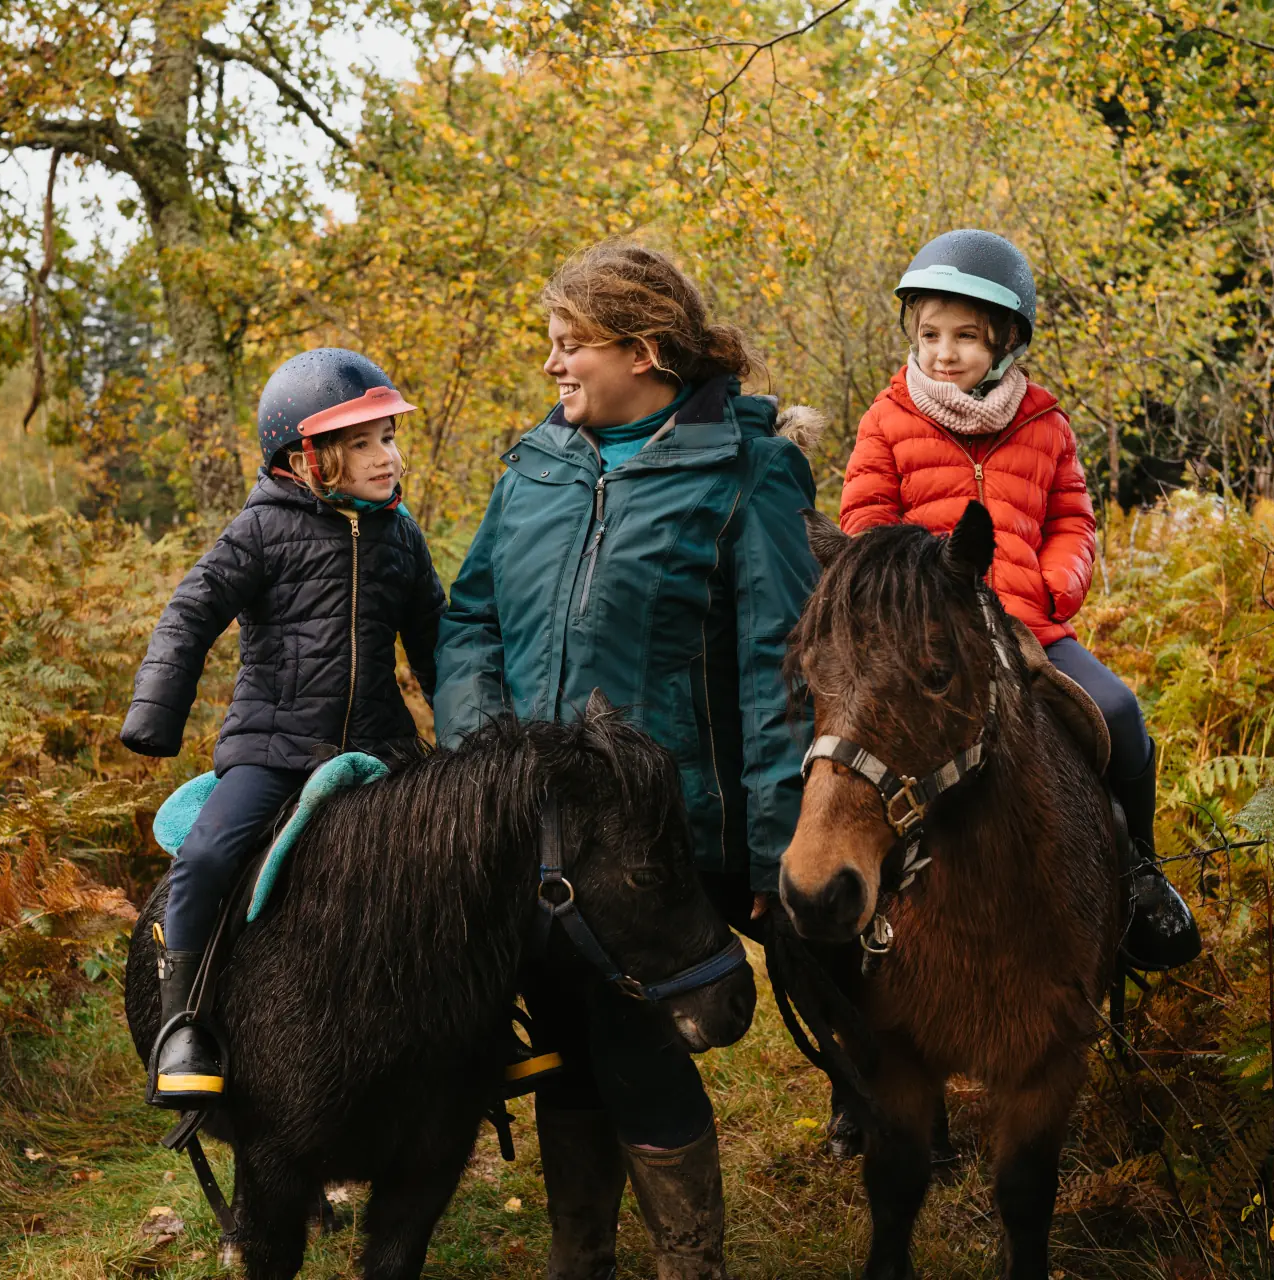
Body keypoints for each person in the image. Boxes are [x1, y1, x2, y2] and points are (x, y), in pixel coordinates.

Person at [435, 241, 819, 1280]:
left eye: (572, 347)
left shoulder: (746, 471)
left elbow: (776, 669)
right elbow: (470, 620)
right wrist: (485, 756)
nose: (554, 367)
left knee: (636, 1040)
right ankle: (581, 1258)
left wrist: (775, 850)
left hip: (660, 834)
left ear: (643, 350)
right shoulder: (534, 466)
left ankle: (689, 1263)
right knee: (562, 1038)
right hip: (526, 822)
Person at [839, 228, 1200, 975]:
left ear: (1004, 341)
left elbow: (1072, 518)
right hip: (925, 637)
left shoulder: (1043, 421)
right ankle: (839, 892)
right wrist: (913, 600)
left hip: (1028, 625)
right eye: (931, 333)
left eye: (966, 337)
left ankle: (1138, 873)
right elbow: (864, 525)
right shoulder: (888, 419)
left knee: (1122, 715)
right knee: (845, 738)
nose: (944, 352)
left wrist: (1055, 583)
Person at [120, 348, 446, 1108]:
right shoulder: (262, 529)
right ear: (309, 458)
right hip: (273, 746)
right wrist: (155, 715)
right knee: (203, 861)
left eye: (388, 438)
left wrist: (467, 733)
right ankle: (186, 1021)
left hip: (380, 745)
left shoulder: (401, 538)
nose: (386, 457)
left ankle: (488, 1020)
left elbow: (438, 643)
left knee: (459, 852)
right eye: (362, 442)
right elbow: (190, 613)